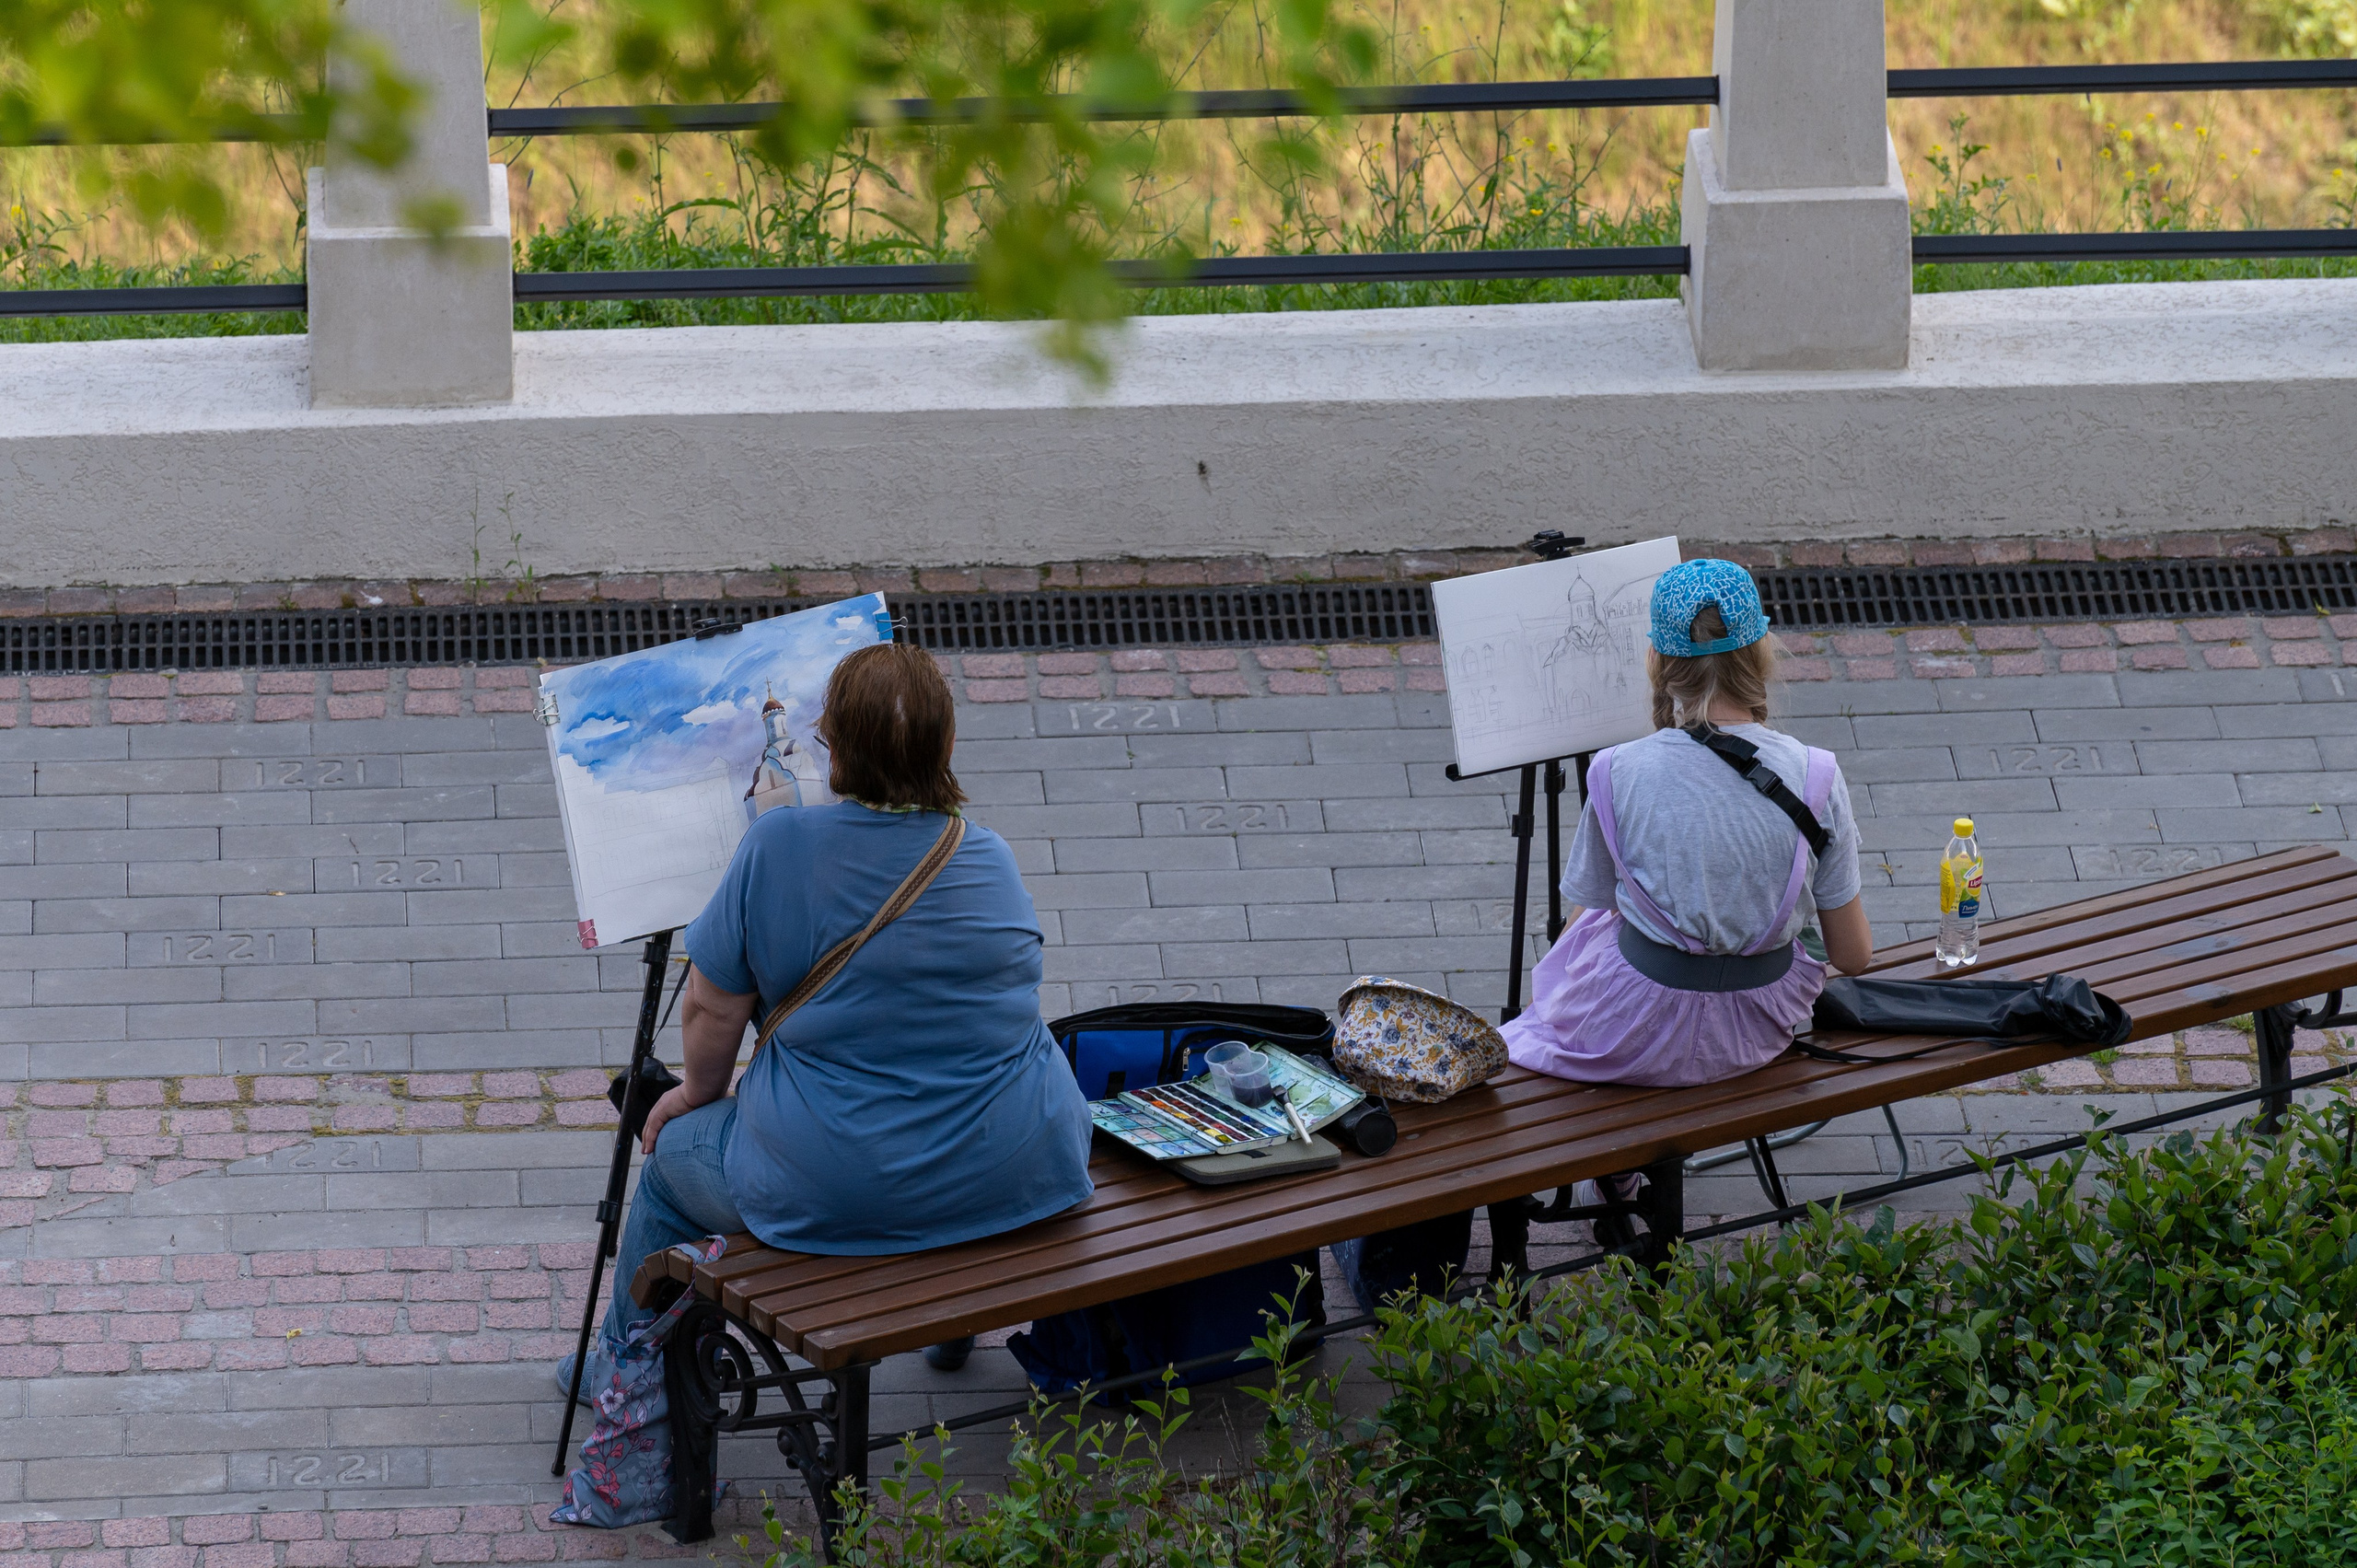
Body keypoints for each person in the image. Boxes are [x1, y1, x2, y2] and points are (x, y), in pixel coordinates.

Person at [562, 643, 1093, 1396]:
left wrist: (691, 1097)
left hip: (842, 1187)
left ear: (835, 749)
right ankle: (949, 1331)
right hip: (1021, 1163)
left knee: (672, 1165)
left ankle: (620, 1368)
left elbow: (712, 1005)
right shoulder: (989, 855)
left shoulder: (777, 842)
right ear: (945, 744)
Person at [1502, 558, 1871, 1091]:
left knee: (1596, 924)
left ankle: (1614, 1164)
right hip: (1756, 1029)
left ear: (1657, 659)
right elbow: (1854, 956)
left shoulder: (1614, 769)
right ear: (1762, 652)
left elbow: (1586, 914)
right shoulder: (1817, 773)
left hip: (1632, 1029)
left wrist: (1548, 1006)